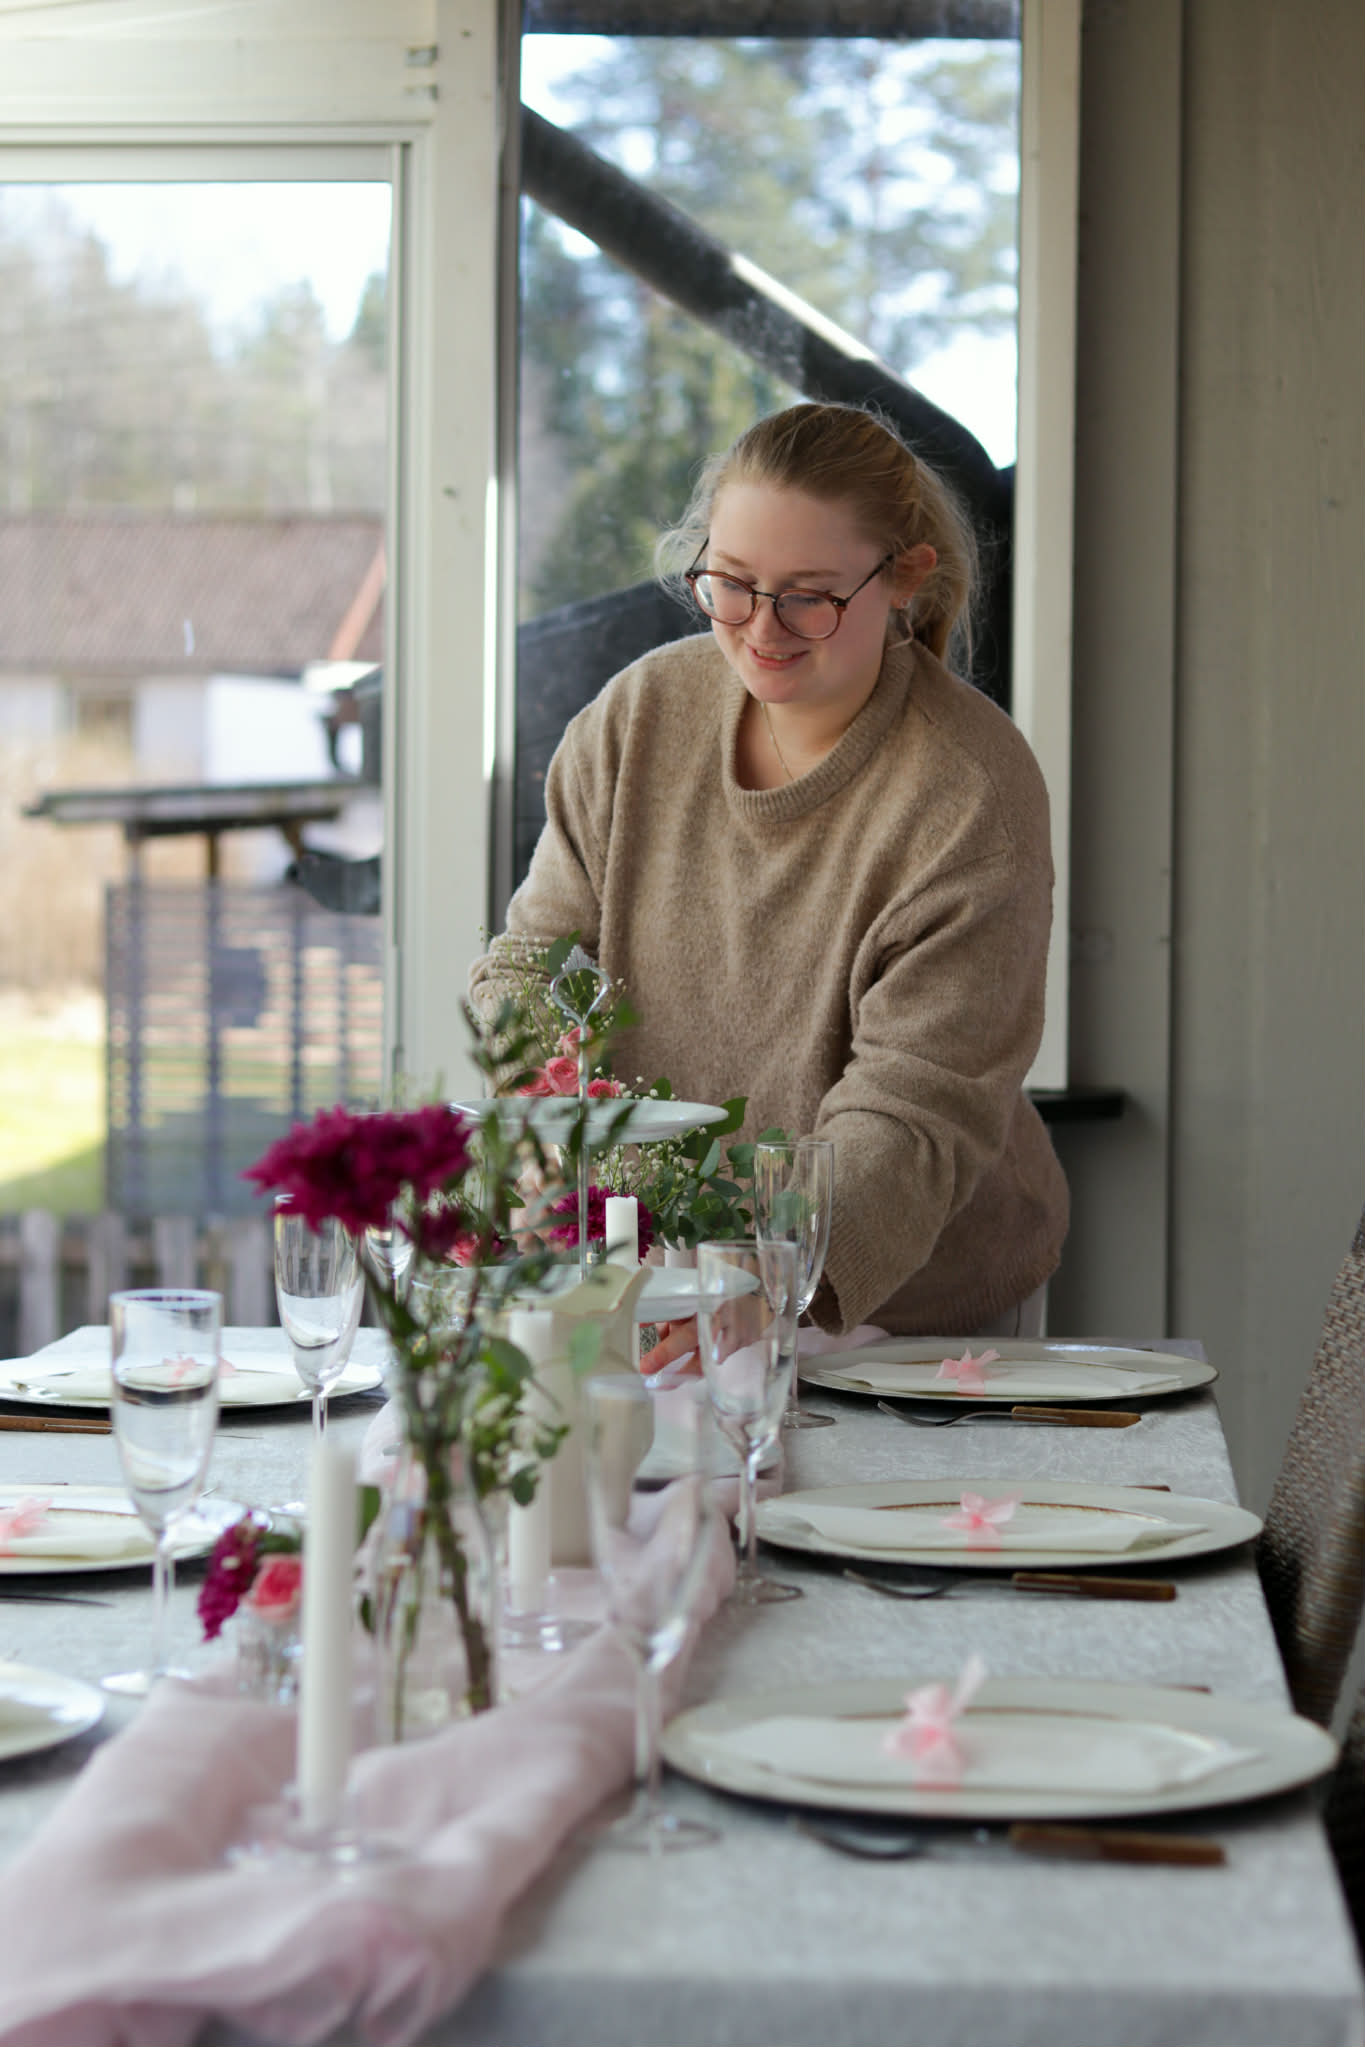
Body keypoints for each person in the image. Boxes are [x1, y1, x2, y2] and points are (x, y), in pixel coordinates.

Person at [469, 401, 1068, 1350]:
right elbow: (533, 960)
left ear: (904, 578)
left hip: (893, 1302)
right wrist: (535, 1110)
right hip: (659, 1269)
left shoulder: (969, 796)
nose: (761, 628)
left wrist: (766, 1273)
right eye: (732, 583)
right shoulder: (639, 718)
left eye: (809, 594)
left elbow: (911, 1111)